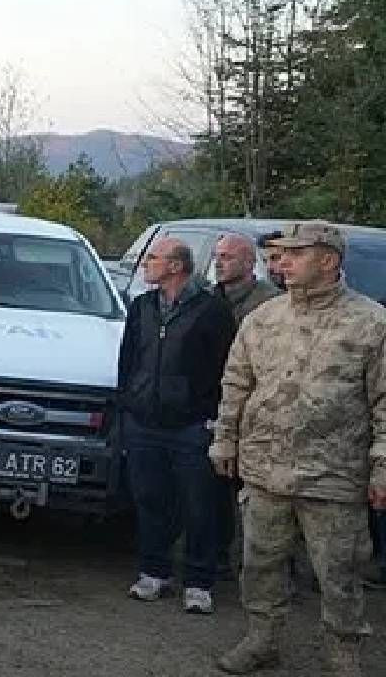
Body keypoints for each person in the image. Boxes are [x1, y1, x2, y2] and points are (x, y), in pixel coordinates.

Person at [211, 222, 386, 677]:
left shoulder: (371, 323)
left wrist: (382, 468)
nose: (282, 262)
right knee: (260, 563)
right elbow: (236, 382)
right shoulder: (265, 318)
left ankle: (343, 654)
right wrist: (225, 437)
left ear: (328, 260)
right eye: (280, 255)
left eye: (296, 254)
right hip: (265, 469)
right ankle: (262, 639)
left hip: (333, 474)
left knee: (339, 572)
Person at [118, 237, 235, 615]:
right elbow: (128, 359)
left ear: (176, 266)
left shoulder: (212, 311)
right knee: (150, 499)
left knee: (199, 505)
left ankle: (199, 582)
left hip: (191, 425)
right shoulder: (141, 307)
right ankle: (153, 571)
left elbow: (226, 368)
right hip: (144, 422)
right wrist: (128, 406)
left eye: (154, 258)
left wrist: (213, 419)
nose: (146, 263)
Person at [210, 233, 282, 578]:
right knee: (218, 487)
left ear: (248, 262)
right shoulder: (209, 299)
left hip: (260, 409)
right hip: (219, 402)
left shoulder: (270, 305)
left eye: (227, 256)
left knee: (261, 492)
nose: (219, 262)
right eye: (216, 256)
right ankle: (221, 555)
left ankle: (272, 567)